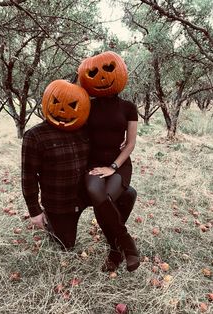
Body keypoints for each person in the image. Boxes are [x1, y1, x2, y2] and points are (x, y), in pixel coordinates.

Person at [21, 79, 137, 257]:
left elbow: (106, 132)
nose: (63, 110)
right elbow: (28, 176)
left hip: (84, 192)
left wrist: (118, 145)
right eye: (56, 103)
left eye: (72, 105)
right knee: (66, 244)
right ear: (46, 101)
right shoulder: (35, 136)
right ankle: (52, 222)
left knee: (128, 194)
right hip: (61, 201)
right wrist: (34, 211)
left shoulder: (83, 128)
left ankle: (117, 238)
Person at [78, 51, 140, 272]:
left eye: (108, 70)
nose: (102, 77)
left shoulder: (128, 108)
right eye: (93, 73)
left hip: (119, 164)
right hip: (93, 164)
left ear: (120, 72)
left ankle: (115, 254)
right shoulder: (87, 106)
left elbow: (130, 143)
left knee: (107, 200)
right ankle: (125, 245)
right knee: (98, 195)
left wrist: (113, 166)